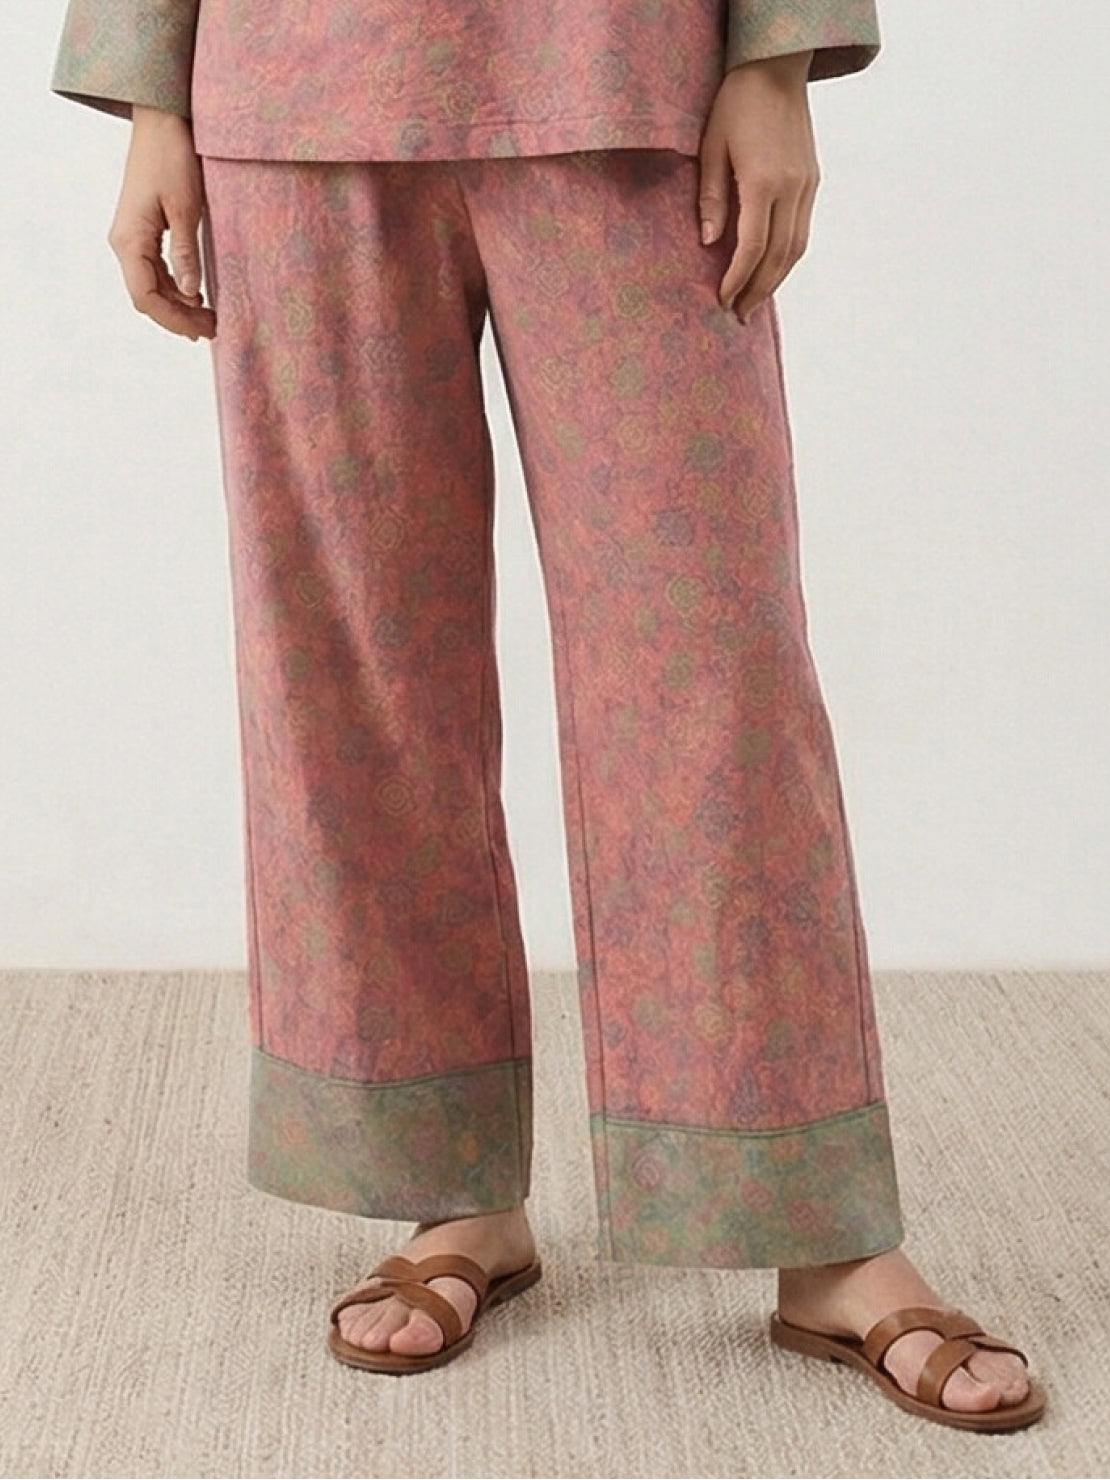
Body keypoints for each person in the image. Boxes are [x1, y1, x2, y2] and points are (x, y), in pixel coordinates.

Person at [50, 0, 1044, 1430]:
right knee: (353, 673)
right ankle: (448, 1189)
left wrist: (774, 57)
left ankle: (817, 1225)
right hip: (290, 91)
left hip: (624, 80)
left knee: (707, 672)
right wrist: (155, 100)